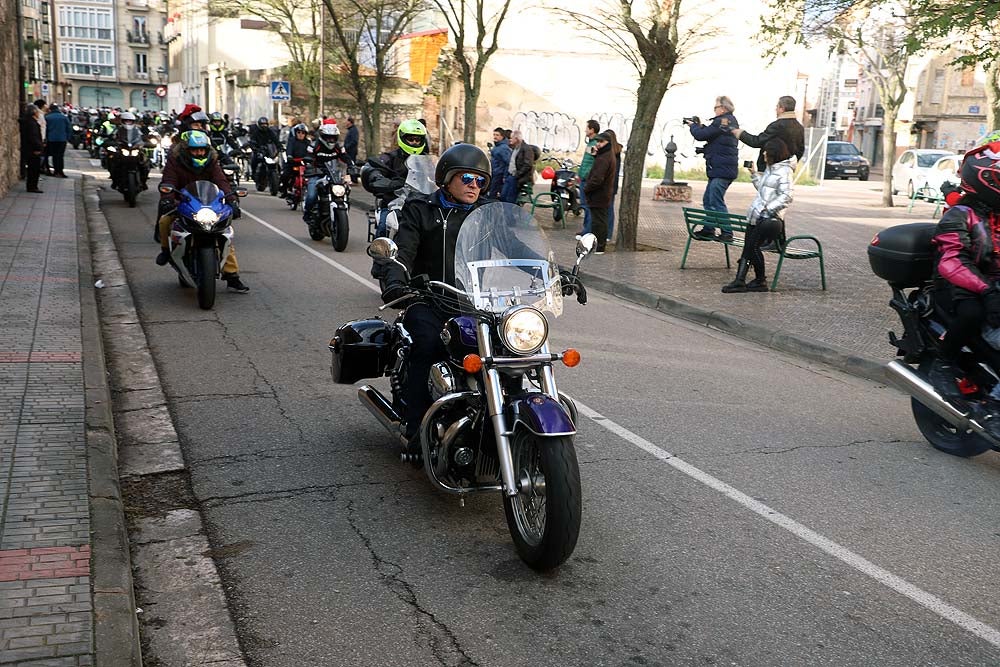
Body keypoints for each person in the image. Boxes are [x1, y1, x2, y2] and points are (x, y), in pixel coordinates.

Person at [379, 143, 493, 457]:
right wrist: (396, 283)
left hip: (475, 303)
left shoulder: (487, 214)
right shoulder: (421, 210)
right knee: (428, 345)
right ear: (447, 178)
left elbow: (516, 246)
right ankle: (416, 428)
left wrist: (554, 272)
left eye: (481, 181)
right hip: (428, 298)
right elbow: (401, 253)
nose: (474, 186)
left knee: (510, 349)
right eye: (468, 178)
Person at [927, 140, 1000, 396]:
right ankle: (943, 363)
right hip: (959, 285)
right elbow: (952, 261)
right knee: (972, 314)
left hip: (990, 281)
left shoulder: (995, 213)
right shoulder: (960, 213)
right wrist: (988, 291)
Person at [155, 130, 250, 293]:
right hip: (182, 202)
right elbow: (169, 181)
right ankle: (165, 251)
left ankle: (232, 275)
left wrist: (232, 201)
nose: (199, 153)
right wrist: (168, 199)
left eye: (202, 150)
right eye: (194, 150)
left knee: (224, 233)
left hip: (208, 205)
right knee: (164, 222)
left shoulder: (212, 162)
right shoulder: (175, 161)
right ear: (186, 150)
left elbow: (222, 182)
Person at [721, 137, 794, 294]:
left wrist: (767, 209)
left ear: (774, 153)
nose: (764, 155)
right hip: (756, 216)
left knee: (752, 247)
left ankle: (758, 281)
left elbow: (787, 196)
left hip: (769, 219)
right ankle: (742, 280)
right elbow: (763, 190)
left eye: (766, 152)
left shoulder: (785, 171)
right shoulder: (771, 169)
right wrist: (754, 174)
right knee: (748, 248)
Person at [361, 118, 429, 237]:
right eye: (410, 139)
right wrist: (378, 178)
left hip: (421, 202)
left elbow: (437, 176)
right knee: (383, 226)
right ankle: (380, 252)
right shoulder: (390, 157)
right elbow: (373, 167)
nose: (414, 142)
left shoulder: (427, 161)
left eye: (417, 140)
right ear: (402, 138)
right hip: (393, 202)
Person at [686, 96, 740, 240]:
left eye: (715, 107)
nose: (714, 110)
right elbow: (714, 138)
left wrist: (693, 126)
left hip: (722, 170)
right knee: (708, 199)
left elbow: (701, 135)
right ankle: (709, 229)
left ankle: (727, 233)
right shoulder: (725, 122)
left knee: (715, 200)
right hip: (720, 168)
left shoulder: (723, 121)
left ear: (723, 108)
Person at [732, 95, 804, 172]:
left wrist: (740, 133)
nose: (775, 109)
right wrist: (790, 164)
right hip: (787, 170)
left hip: (771, 169)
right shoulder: (799, 127)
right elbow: (800, 150)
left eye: (777, 107)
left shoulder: (777, 126)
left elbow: (757, 142)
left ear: (782, 109)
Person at [302, 122, 352, 227]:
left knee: (346, 191)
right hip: (317, 174)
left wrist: (352, 166)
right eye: (328, 138)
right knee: (311, 195)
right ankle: (307, 213)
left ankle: (342, 214)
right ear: (323, 137)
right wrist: (309, 163)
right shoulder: (314, 145)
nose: (331, 140)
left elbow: (345, 156)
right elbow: (307, 156)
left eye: (333, 138)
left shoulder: (338, 146)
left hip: (334, 174)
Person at [583, 132, 615, 254]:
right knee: (599, 220)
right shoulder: (604, 155)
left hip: (599, 194)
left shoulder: (604, 158)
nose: (598, 144)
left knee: (599, 222)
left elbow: (597, 178)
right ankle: (598, 244)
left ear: (607, 143)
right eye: (598, 142)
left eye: (601, 142)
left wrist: (587, 188)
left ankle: (599, 246)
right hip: (601, 193)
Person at [500, 130, 537, 204]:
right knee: (503, 196)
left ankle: (510, 214)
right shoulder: (515, 148)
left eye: (511, 138)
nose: (510, 140)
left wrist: (518, 174)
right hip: (510, 175)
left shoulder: (526, 149)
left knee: (510, 198)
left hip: (517, 177)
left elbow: (528, 164)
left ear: (516, 139)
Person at [576, 120, 600, 234]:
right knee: (585, 206)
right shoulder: (590, 144)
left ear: (592, 130)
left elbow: (592, 163)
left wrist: (585, 175)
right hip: (584, 178)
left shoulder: (595, 144)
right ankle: (585, 229)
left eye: (587, 128)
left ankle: (588, 231)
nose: (585, 130)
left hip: (587, 180)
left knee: (588, 206)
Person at [281, 123, 311, 197]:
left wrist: (310, 158)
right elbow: (289, 149)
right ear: (295, 133)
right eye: (299, 132)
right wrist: (290, 156)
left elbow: (310, 152)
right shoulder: (292, 140)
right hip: (292, 162)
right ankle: (284, 191)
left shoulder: (308, 142)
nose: (301, 134)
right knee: (285, 175)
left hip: (304, 163)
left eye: (303, 133)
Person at [248, 116, 282, 183]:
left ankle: (278, 177)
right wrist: (254, 147)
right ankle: (254, 173)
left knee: (277, 164)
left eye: (265, 124)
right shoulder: (256, 133)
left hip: (269, 152)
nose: (264, 126)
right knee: (254, 160)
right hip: (259, 151)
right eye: (262, 124)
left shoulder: (270, 132)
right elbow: (252, 141)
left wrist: (280, 147)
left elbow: (276, 140)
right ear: (259, 125)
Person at [20, 104, 44, 193]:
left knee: (32, 169)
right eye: (37, 112)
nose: (38, 113)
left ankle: (32, 186)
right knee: (34, 169)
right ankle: (32, 186)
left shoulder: (28, 121)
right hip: (33, 150)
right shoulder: (32, 123)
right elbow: (33, 136)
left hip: (29, 148)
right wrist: (38, 148)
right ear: (34, 112)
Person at [604, 129, 622, 244]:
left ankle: (608, 233)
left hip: (609, 185)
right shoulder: (616, 153)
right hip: (612, 185)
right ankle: (607, 233)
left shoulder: (613, 154)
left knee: (608, 209)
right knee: (608, 209)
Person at [44, 104, 71, 178]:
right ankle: (60, 171)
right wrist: (67, 138)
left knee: (54, 155)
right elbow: (68, 128)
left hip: (51, 139)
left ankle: (56, 171)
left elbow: (45, 129)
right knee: (60, 155)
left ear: (50, 110)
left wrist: (45, 139)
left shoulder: (47, 117)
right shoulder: (64, 117)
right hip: (62, 139)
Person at [488, 126, 511, 200]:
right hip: (494, 173)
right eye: (494, 135)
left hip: (499, 175)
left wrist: (504, 176)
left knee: (493, 194)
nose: (495, 137)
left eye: (497, 135)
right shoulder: (497, 146)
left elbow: (508, 163)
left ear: (502, 136)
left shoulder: (504, 148)